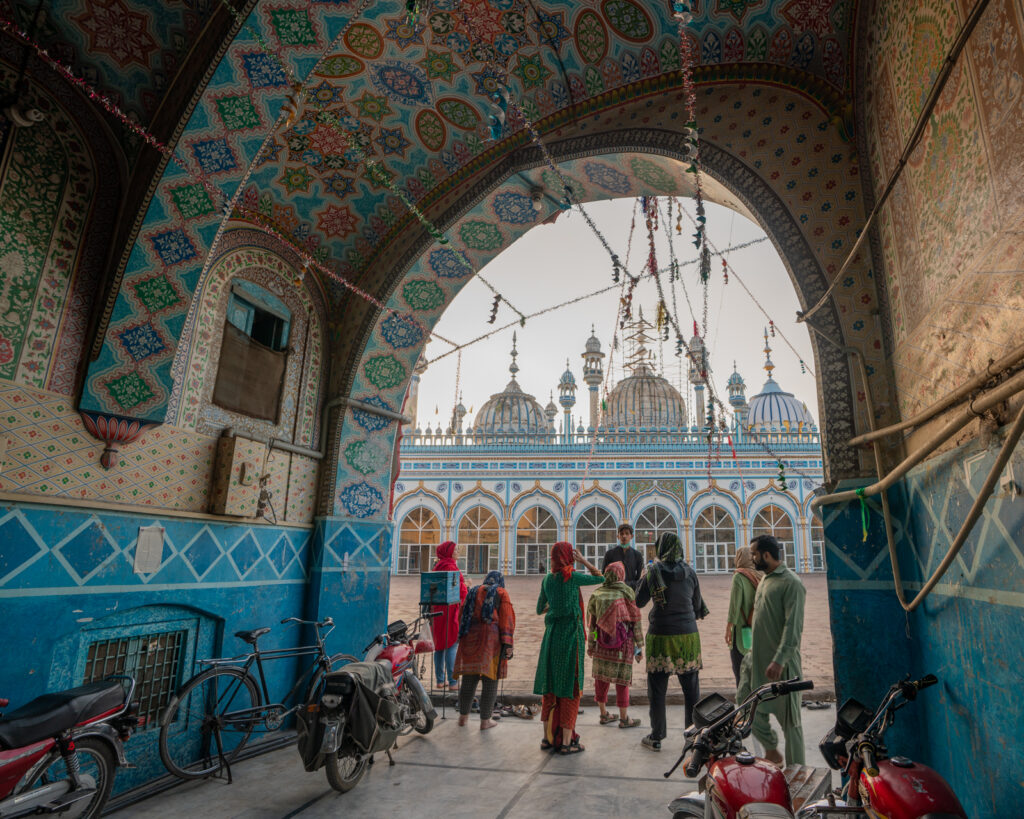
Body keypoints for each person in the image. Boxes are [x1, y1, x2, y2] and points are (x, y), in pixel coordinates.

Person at [737, 534, 807, 766]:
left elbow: (793, 628)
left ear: (766, 555)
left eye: (755, 554)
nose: (753, 558)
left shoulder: (791, 583)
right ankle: (771, 750)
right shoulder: (765, 579)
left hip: (782, 668)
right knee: (747, 707)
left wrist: (780, 660)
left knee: (792, 725)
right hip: (757, 663)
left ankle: (798, 772)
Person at [635, 532, 708, 752]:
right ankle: (693, 735)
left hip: (661, 634)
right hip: (687, 635)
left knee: (657, 689)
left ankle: (657, 735)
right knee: (691, 690)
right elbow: (697, 606)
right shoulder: (690, 572)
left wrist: (643, 577)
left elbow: (638, 601)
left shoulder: (653, 572)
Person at [534, 542, 604, 754]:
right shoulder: (571, 577)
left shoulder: (547, 579)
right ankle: (566, 742)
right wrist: (584, 561)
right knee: (570, 688)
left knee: (550, 687)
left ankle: (546, 739)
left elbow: (539, 609)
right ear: (568, 557)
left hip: (551, 638)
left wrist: (554, 607)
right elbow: (601, 578)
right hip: (570, 638)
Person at [455, 570, 515, 730]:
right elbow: (506, 619)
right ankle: (485, 721)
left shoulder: (473, 591)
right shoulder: (501, 593)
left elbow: (462, 614)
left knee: (469, 679)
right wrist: (508, 644)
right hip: (491, 641)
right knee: (490, 680)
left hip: (470, 639)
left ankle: (463, 717)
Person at [587, 561, 644, 728]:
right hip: (623, 645)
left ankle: (603, 714)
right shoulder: (627, 592)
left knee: (601, 680)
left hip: (601, 646)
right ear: (621, 575)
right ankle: (624, 718)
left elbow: (593, 625)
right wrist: (638, 647)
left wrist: (592, 644)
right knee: (622, 681)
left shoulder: (597, 594)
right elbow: (635, 621)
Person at [429, 541, 467, 691]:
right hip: (450, 610)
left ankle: (440, 680)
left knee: (439, 645)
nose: (457, 551)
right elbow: (461, 591)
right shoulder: (451, 567)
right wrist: (467, 586)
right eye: (455, 549)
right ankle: (452, 682)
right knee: (451, 643)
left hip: (437, 610)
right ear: (448, 552)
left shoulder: (437, 567)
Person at [725, 546, 762, 686]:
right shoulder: (761, 575)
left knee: (740, 672)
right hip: (758, 630)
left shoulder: (739, 576)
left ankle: (744, 705)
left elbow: (734, 607)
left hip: (741, 631)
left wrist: (729, 628)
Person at [601, 523, 645, 589]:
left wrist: (626, 584)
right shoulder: (610, 554)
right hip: (614, 592)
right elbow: (603, 575)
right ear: (618, 536)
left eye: (627, 533)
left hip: (630, 592)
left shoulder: (637, 555)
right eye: (621, 534)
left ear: (632, 536)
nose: (624, 536)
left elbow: (640, 579)